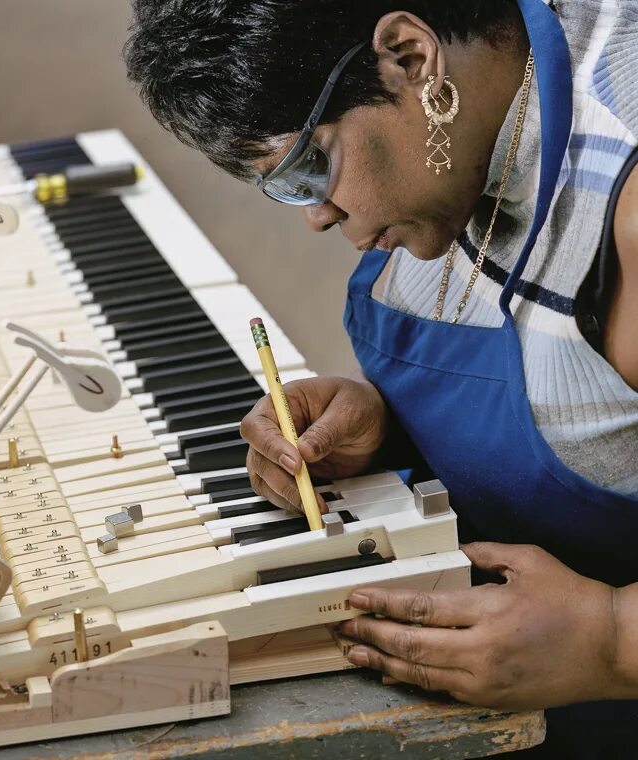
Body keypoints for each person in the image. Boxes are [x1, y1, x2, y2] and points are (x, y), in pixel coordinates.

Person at [125, 1, 637, 757]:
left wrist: (610, 639)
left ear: (410, 58)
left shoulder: (623, 193)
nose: (317, 217)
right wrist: (394, 430)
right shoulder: (462, 141)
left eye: (308, 169)